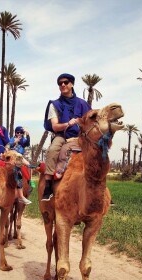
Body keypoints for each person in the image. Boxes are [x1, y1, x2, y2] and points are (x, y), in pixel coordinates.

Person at [41, 73, 91, 201]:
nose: (63, 84)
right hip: (62, 135)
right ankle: (47, 186)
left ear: (72, 84)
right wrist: (67, 124)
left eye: (66, 82)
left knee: (97, 152)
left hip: (81, 136)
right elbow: (55, 126)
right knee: (52, 150)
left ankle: (102, 187)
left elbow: (91, 122)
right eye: (60, 83)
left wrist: (81, 123)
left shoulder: (83, 104)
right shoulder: (55, 104)